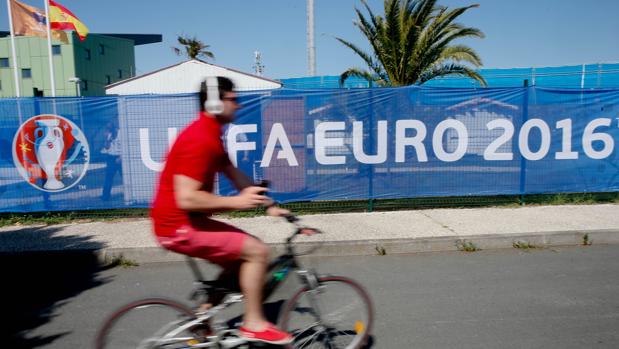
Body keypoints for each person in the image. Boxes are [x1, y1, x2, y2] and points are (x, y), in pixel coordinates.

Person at [150, 77, 293, 345]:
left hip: (184, 222)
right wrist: (238, 203)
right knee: (258, 252)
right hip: (178, 225)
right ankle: (253, 324)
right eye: (233, 99)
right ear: (216, 102)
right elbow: (187, 198)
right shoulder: (200, 139)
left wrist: (269, 205)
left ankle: (202, 319)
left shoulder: (211, 134)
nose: (238, 106)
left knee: (239, 263)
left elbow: (233, 173)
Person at [101, 121, 122, 201]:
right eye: (107, 128)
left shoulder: (120, 133)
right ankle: (105, 196)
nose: (108, 130)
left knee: (124, 176)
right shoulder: (109, 134)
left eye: (110, 128)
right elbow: (106, 148)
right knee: (109, 177)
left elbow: (124, 146)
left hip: (120, 157)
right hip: (111, 157)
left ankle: (130, 194)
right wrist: (106, 139)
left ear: (114, 127)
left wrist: (120, 157)